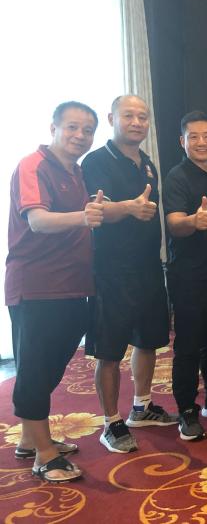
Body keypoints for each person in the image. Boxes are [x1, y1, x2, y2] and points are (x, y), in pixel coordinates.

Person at [6, 101, 104, 482]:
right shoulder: (33, 165)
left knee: (51, 365)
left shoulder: (75, 171)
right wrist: (83, 217)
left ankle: (30, 438)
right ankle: (44, 455)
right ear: (54, 128)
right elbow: (38, 220)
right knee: (34, 368)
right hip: (37, 286)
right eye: (72, 127)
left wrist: (128, 208)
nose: (80, 136)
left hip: (72, 285)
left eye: (87, 130)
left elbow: (92, 213)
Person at [82, 95, 176, 454]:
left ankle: (141, 406)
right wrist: (129, 208)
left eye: (143, 117)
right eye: (129, 116)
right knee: (109, 350)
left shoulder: (146, 163)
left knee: (148, 340)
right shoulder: (96, 161)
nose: (137, 122)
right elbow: (95, 209)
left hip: (149, 266)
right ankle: (111, 422)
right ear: (112, 118)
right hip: (112, 270)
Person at [163, 111, 207, 441]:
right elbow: (173, 223)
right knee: (189, 345)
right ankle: (187, 409)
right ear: (182, 141)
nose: (201, 142)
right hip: (188, 275)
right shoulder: (177, 176)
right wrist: (194, 221)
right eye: (194, 137)